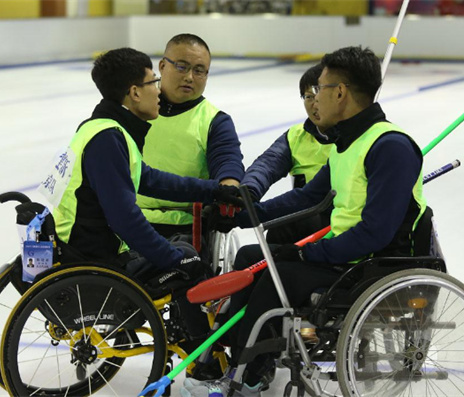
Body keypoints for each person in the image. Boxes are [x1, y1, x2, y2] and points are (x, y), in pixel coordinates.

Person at [182, 46, 427, 397]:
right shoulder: (349, 143)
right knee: (258, 257)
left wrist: (309, 253)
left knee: (276, 271)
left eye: (321, 90)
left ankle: (247, 377)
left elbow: (376, 232)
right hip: (351, 258)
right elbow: (308, 197)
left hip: (374, 265)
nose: (315, 102)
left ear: (340, 93)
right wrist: (245, 215)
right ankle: (230, 359)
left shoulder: (389, 147)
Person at [39, 47, 242, 300]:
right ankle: (198, 339)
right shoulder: (108, 139)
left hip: (83, 246)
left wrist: (214, 190)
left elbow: (150, 180)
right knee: (189, 259)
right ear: (135, 92)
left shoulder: (102, 128)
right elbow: (124, 218)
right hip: (96, 257)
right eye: (153, 82)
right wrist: (174, 260)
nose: (158, 91)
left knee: (182, 250)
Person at [136, 33, 245, 240]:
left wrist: (229, 192)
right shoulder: (135, 108)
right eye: (181, 66)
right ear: (162, 66)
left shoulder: (215, 121)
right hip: (128, 218)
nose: (189, 77)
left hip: (184, 226)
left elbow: (227, 161)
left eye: (199, 71)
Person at [240, 63, 333, 244]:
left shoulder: (355, 138)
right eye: (308, 97)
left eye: (319, 96)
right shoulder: (296, 136)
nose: (314, 104)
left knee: (287, 225)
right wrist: (248, 192)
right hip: (305, 215)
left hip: (339, 223)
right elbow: (266, 166)